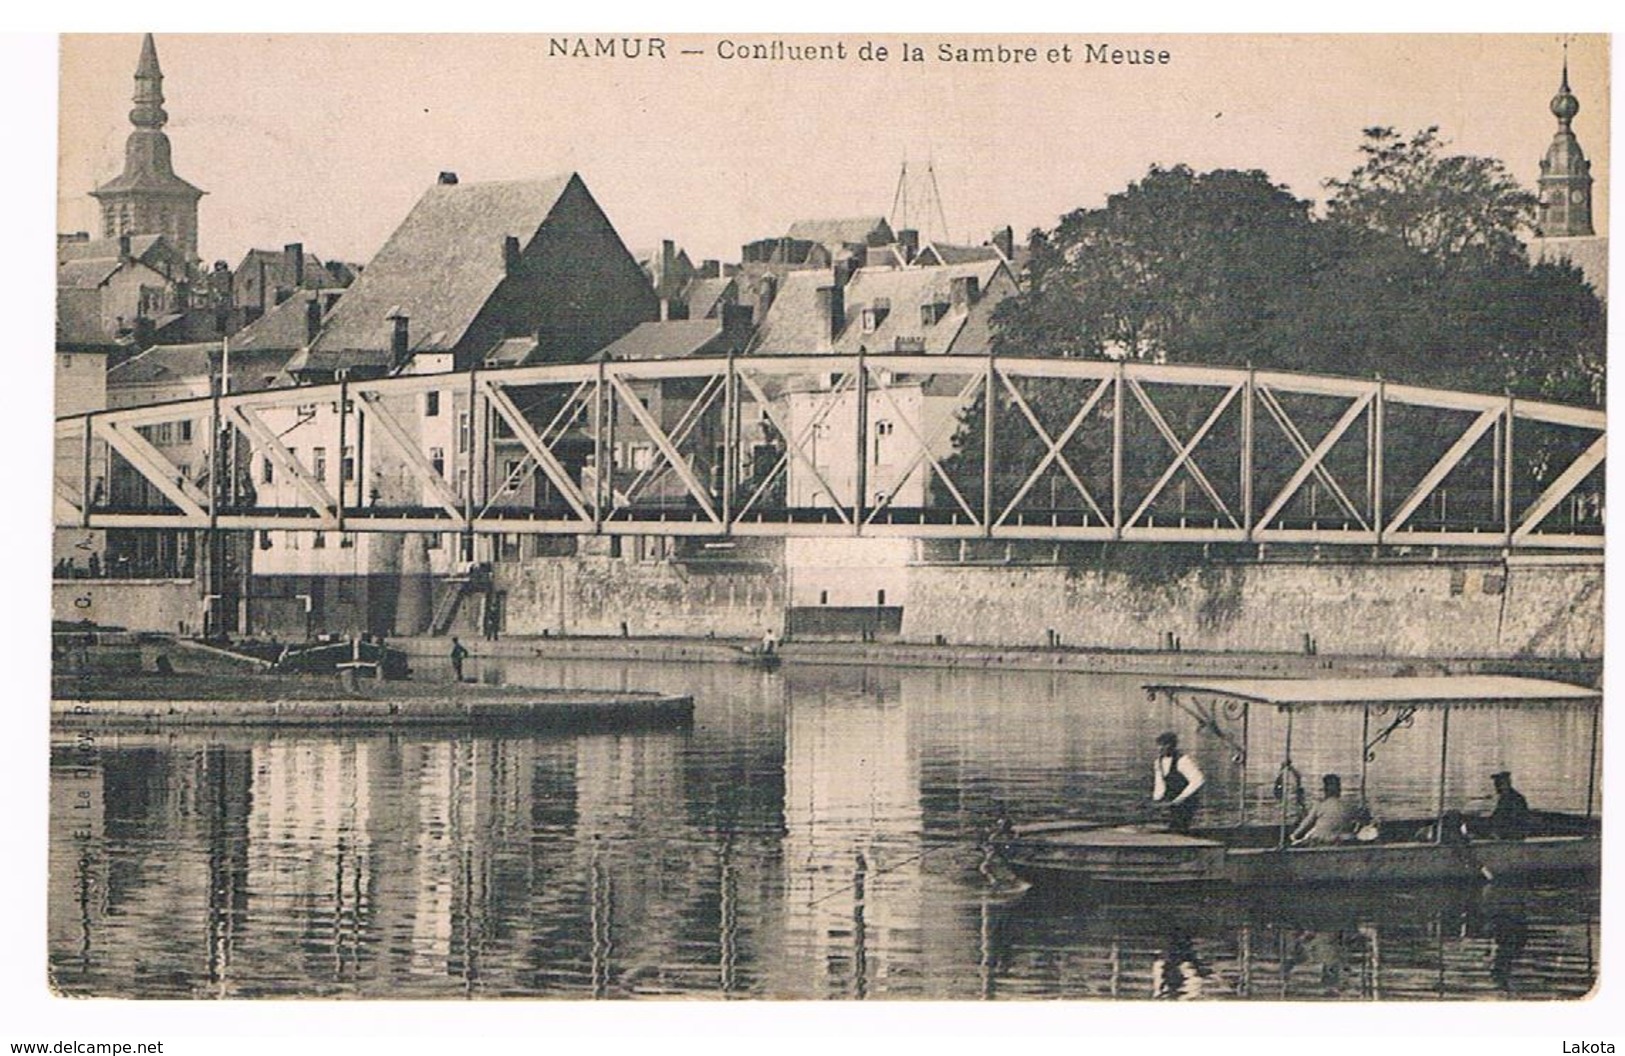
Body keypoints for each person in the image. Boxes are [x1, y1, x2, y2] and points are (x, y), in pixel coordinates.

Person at [1151, 731, 1205, 834]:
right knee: (1173, 825)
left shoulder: (1183, 761)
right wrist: (1157, 800)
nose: (1161, 748)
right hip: (1172, 800)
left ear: (1172, 746)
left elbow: (1198, 781)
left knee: (1180, 826)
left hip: (1187, 801)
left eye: (1165, 745)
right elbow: (1159, 783)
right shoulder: (1158, 762)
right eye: (1159, 745)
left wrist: (1180, 798)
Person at [1291, 773, 1363, 845]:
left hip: (1323, 840)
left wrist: (1293, 836)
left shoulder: (1319, 806)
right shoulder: (1348, 806)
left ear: (1325, 789)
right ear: (1339, 789)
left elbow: (1306, 824)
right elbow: (1358, 821)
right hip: (1343, 839)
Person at [1483, 770, 1532, 840]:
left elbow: (1512, 819)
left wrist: (1496, 832)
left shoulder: (1514, 799)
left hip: (1512, 835)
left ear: (1506, 784)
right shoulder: (1505, 797)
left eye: (1498, 784)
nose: (1496, 787)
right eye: (1496, 784)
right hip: (1507, 833)